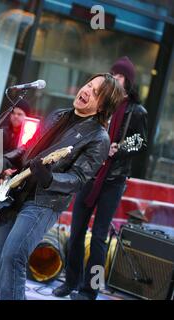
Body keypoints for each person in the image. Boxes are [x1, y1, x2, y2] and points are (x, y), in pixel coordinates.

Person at [0, 73, 125, 300]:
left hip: (44, 202)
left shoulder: (99, 138)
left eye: (95, 92)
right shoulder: (58, 115)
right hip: (16, 192)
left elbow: (78, 178)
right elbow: (30, 148)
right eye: (88, 85)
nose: (86, 91)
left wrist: (49, 179)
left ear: (104, 105)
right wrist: (7, 160)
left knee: (14, 255)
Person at [53, 57, 148, 300]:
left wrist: (119, 147)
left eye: (119, 76)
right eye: (112, 74)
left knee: (98, 238)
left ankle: (89, 290)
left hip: (114, 180)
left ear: (128, 81)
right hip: (90, 175)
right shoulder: (103, 104)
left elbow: (140, 142)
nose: (114, 78)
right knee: (75, 233)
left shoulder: (137, 111)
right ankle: (71, 282)